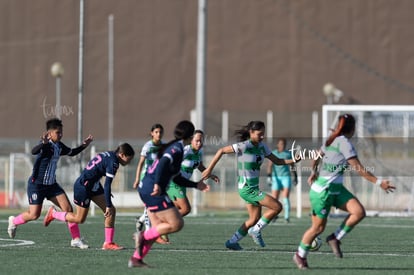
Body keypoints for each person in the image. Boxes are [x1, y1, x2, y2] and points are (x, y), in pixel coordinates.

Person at [293, 114, 396, 270]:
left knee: (358, 212)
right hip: (323, 192)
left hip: (337, 189)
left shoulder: (331, 138)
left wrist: (314, 171)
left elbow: (316, 157)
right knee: (318, 228)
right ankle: (300, 255)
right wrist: (379, 182)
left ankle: (335, 238)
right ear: (352, 129)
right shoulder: (344, 143)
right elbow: (358, 168)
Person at [201, 121, 297, 250]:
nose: (262, 136)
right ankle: (256, 231)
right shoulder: (244, 146)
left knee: (254, 219)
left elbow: (278, 161)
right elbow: (221, 150)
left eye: (263, 134)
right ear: (251, 133)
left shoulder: (263, 147)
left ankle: (232, 241)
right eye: (259, 134)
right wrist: (209, 169)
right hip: (247, 189)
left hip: (253, 188)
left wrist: (293, 160)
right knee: (277, 207)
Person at [128, 120, 210, 268]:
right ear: (190, 136)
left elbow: (176, 177)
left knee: (157, 228)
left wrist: (195, 185)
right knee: (177, 223)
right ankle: (142, 236)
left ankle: (136, 258)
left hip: (145, 188)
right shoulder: (177, 149)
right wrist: (158, 184)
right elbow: (164, 163)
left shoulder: (174, 146)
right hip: (152, 189)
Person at [7, 118, 93, 249]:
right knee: (34, 215)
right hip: (37, 185)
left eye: (61, 132)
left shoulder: (59, 146)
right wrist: (42, 143)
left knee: (68, 209)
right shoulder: (45, 145)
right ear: (49, 133)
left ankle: (75, 239)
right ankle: (14, 221)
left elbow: (72, 152)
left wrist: (83, 145)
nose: (60, 134)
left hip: (52, 186)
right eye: (58, 132)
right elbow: (34, 151)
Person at [43, 143, 135, 250]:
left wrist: (106, 197)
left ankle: (108, 243)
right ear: (122, 155)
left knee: (111, 210)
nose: (129, 162)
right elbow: (107, 184)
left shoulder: (110, 155)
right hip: (83, 187)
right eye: (129, 159)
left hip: (93, 185)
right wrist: (108, 201)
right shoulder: (114, 162)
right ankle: (53, 214)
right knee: (80, 218)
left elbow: (96, 172)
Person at [167, 129, 219, 217]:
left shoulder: (200, 152)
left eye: (201, 141)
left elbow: (200, 166)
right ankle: (166, 222)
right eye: (197, 141)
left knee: (173, 208)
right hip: (175, 183)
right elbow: (172, 163)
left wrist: (211, 175)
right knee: (185, 209)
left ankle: (151, 219)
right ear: (191, 140)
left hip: (183, 184)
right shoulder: (186, 150)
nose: (199, 143)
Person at [132, 124, 164, 236]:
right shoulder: (148, 146)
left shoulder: (164, 146)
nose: (158, 134)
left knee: (157, 204)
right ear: (152, 133)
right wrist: (137, 179)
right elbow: (141, 163)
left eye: (160, 132)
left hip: (158, 180)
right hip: (146, 179)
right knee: (148, 205)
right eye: (156, 132)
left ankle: (141, 220)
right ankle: (148, 231)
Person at [267, 138, 297, 223]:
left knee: (285, 197)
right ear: (278, 144)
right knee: (275, 198)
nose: (282, 145)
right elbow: (270, 165)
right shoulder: (274, 153)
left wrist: (295, 176)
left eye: (283, 144)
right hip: (276, 178)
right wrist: (269, 176)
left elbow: (292, 165)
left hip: (286, 177)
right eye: (280, 144)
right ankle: (274, 215)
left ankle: (287, 216)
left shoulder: (288, 154)